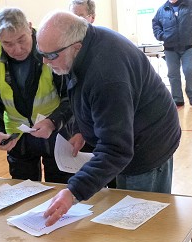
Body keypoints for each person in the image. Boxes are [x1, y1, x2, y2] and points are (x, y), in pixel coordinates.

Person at [36, 11, 181, 242]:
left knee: (144, 229)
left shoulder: (106, 74)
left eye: (50, 55)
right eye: (42, 53)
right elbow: (86, 99)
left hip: (147, 148)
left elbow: (117, 149)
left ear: (74, 46)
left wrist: (73, 192)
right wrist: (82, 130)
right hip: (135, 136)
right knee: (129, 222)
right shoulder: (84, 47)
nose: (45, 62)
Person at [0, 7, 76, 242]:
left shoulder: (49, 46)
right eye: (8, 43)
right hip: (18, 137)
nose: (16, 48)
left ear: (30, 28)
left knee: (60, 189)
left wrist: (54, 121)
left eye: (21, 40)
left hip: (57, 131)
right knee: (25, 192)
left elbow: (72, 96)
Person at [69, 0, 116, 189]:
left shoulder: (104, 51)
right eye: (72, 17)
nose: (75, 23)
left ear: (92, 18)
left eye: (80, 17)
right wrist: (79, 130)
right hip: (87, 130)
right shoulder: (68, 49)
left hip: (109, 130)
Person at [152, 0, 192, 107]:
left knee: (189, 70)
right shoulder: (162, 10)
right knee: (173, 74)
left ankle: (191, 94)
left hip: (188, 46)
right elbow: (156, 24)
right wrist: (161, 36)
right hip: (170, 47)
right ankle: (177, 98)